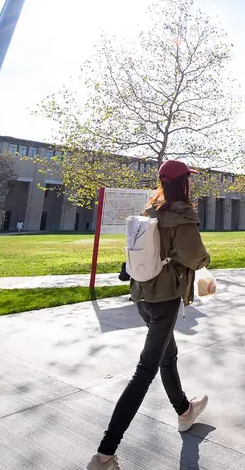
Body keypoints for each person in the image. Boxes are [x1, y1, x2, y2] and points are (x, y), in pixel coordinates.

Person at [89, 159, 210, 470]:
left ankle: (184, 410)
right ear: (183, 182)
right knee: (144, 372)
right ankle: (105, 454)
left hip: (141, 295)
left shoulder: (149, 212)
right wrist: (205, 260)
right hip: (165, 299)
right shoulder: (181, 215)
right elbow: (197, 258)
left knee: (168, 356)